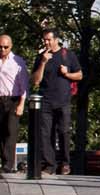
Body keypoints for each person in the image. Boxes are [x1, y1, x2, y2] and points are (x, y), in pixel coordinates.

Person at [29, 29, 81, 175]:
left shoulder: (68, 55)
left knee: (64, 131)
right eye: (44, 40)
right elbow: (35, 81)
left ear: (56, 39)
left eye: (49, 40)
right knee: (45, 134)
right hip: (45, 101)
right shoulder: (41, 57)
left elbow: (79, 75)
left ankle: (65, 163)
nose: (46, 42)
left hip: (63, 100)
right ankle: (49, 165)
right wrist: (44, 62)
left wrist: (67, 73)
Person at [0, 35, 29, 176]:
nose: (2, 49)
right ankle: (3, 161)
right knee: (1, 131)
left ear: (10, 46)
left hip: (13, 99)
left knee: (10, 131)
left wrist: (22, 104)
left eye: (5, 47)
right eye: (0, 47)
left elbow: (24, 85)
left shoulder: (18, 62)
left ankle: (8, 165)